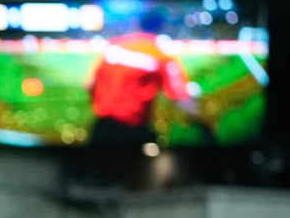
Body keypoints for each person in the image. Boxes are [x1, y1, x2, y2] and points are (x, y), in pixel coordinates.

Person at [88, 8, 206, 147]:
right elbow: (180, 96)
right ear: (163, 27)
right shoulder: (161, 54)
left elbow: (89, 85)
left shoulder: (114, 45)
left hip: (101, 127)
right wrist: (205, 125)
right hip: (133, 130)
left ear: (138, 24)